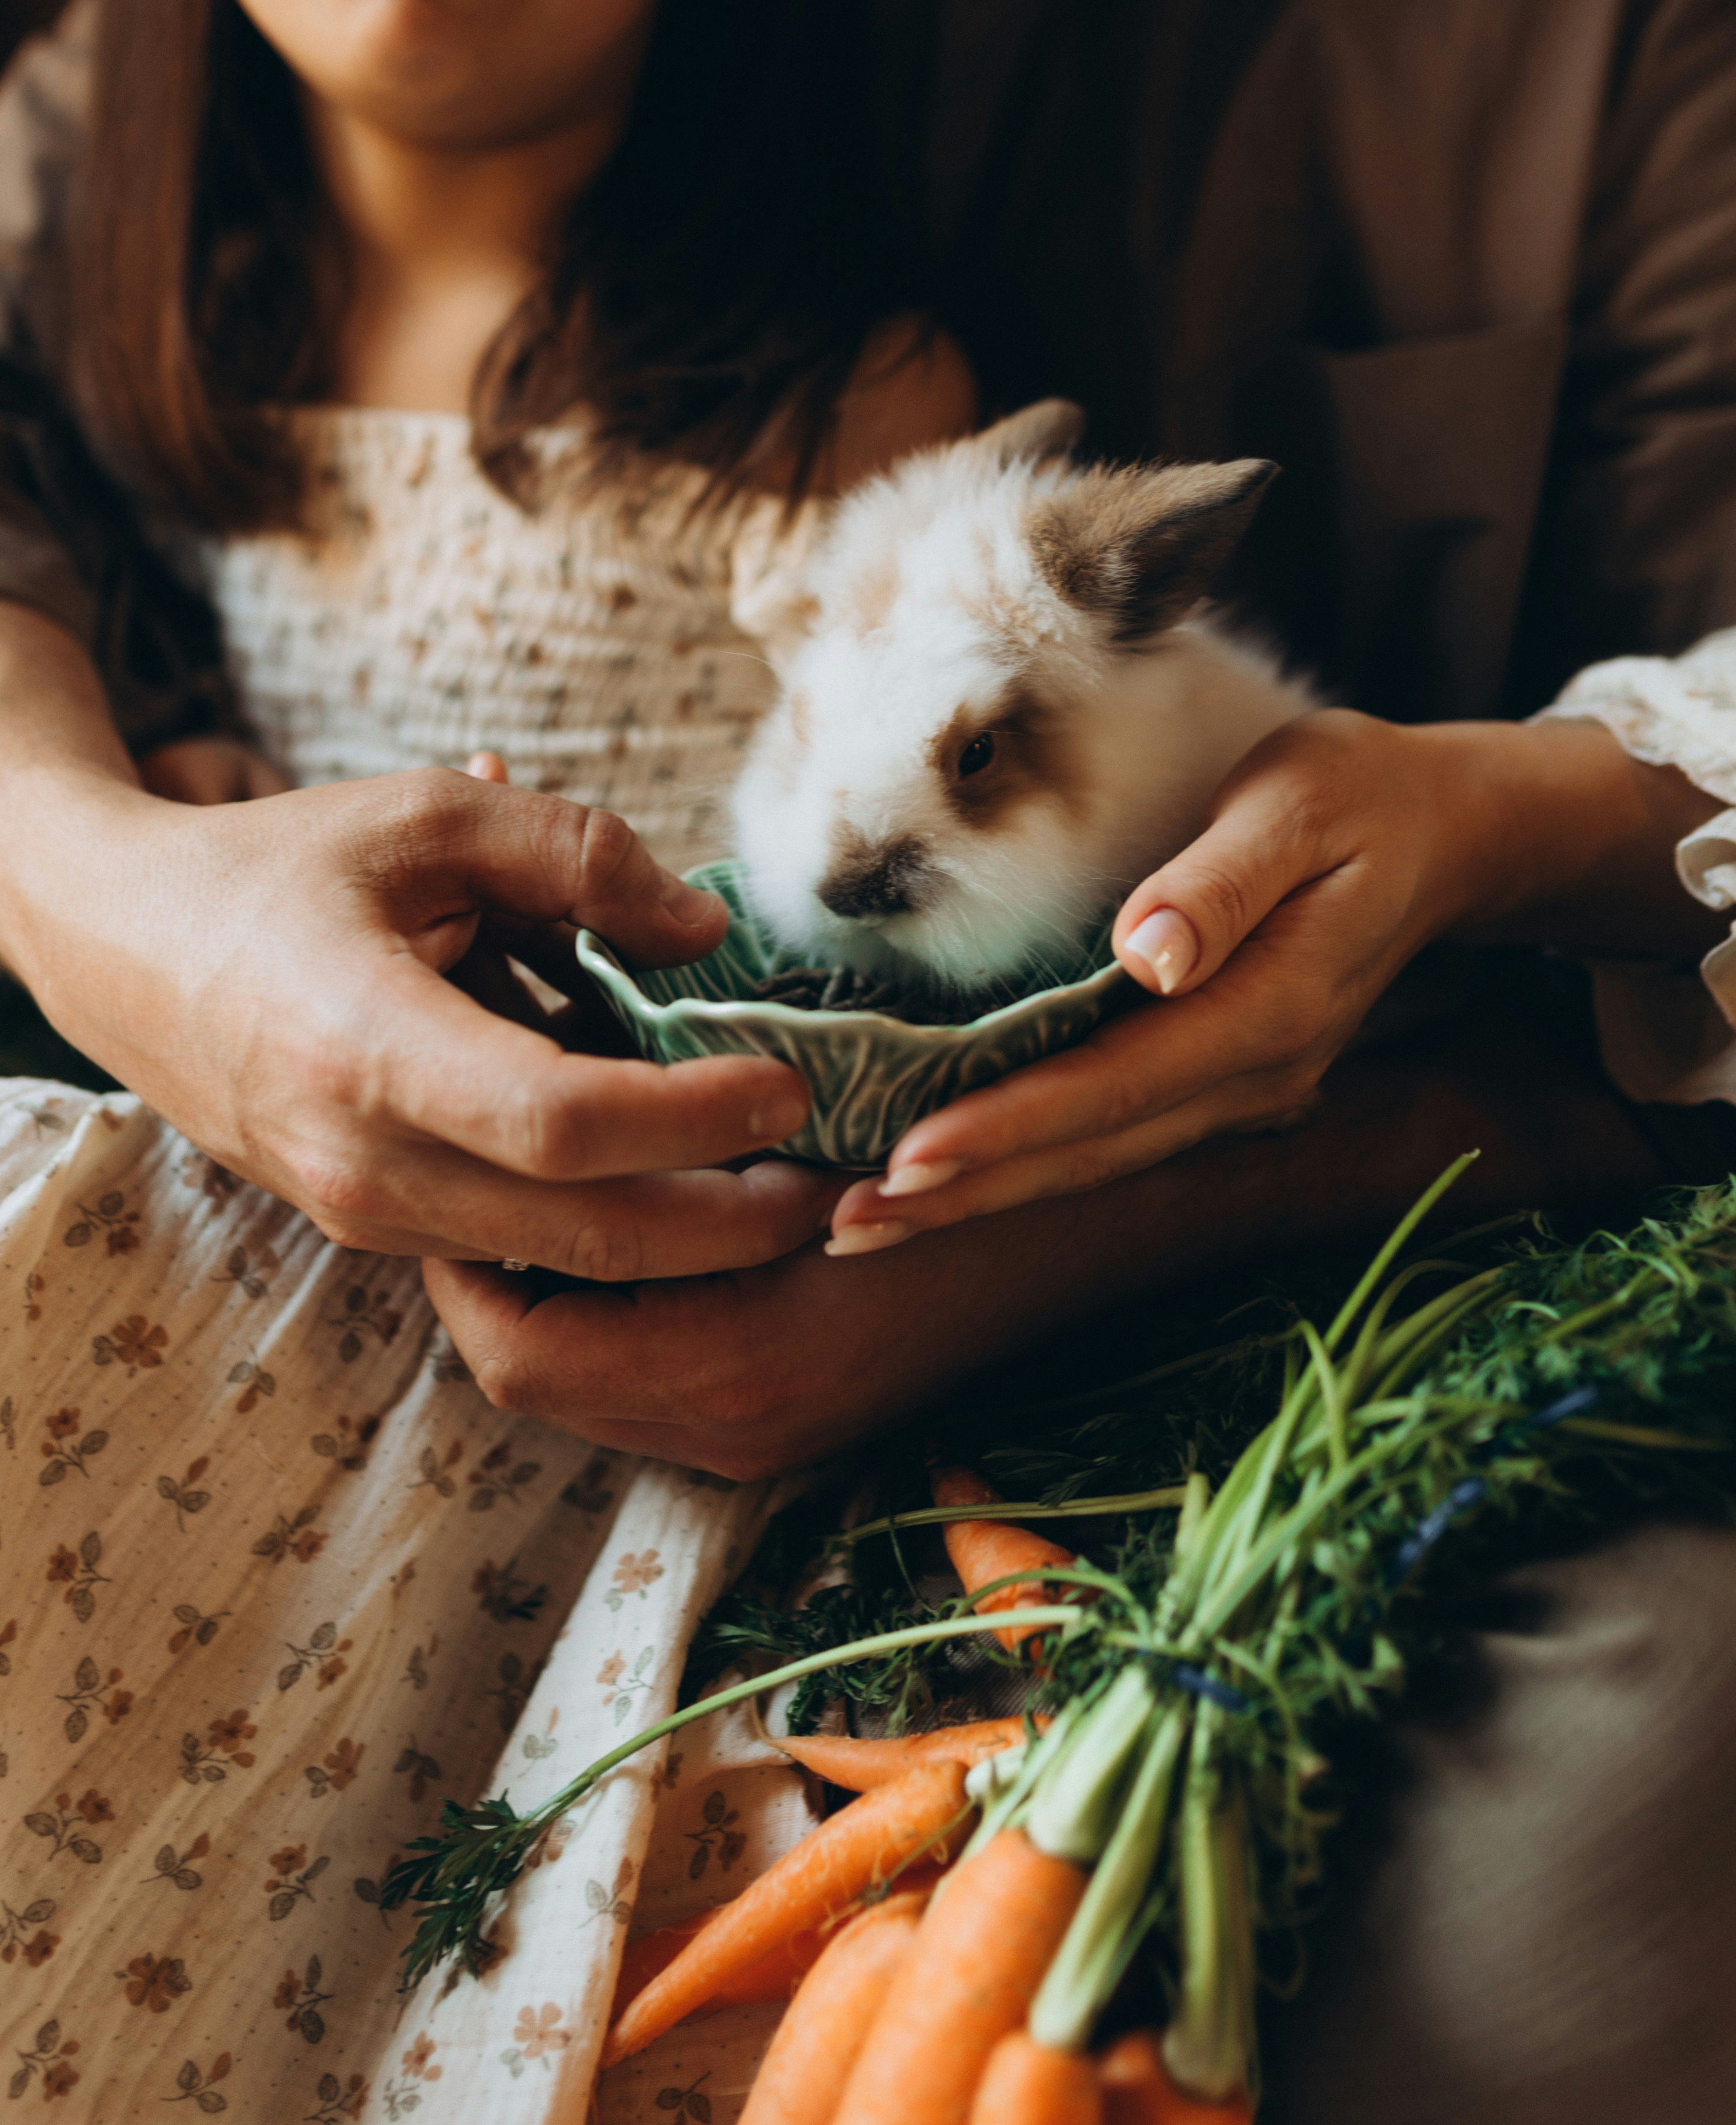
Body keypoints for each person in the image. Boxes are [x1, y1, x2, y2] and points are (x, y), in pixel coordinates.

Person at [1, 1, 1735, 2119]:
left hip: (1387, 1154)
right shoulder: (143, 146)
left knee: (1576, 1847)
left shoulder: (1598, 84)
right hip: (440, 1190)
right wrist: (108, 871)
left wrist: (1503, 833)